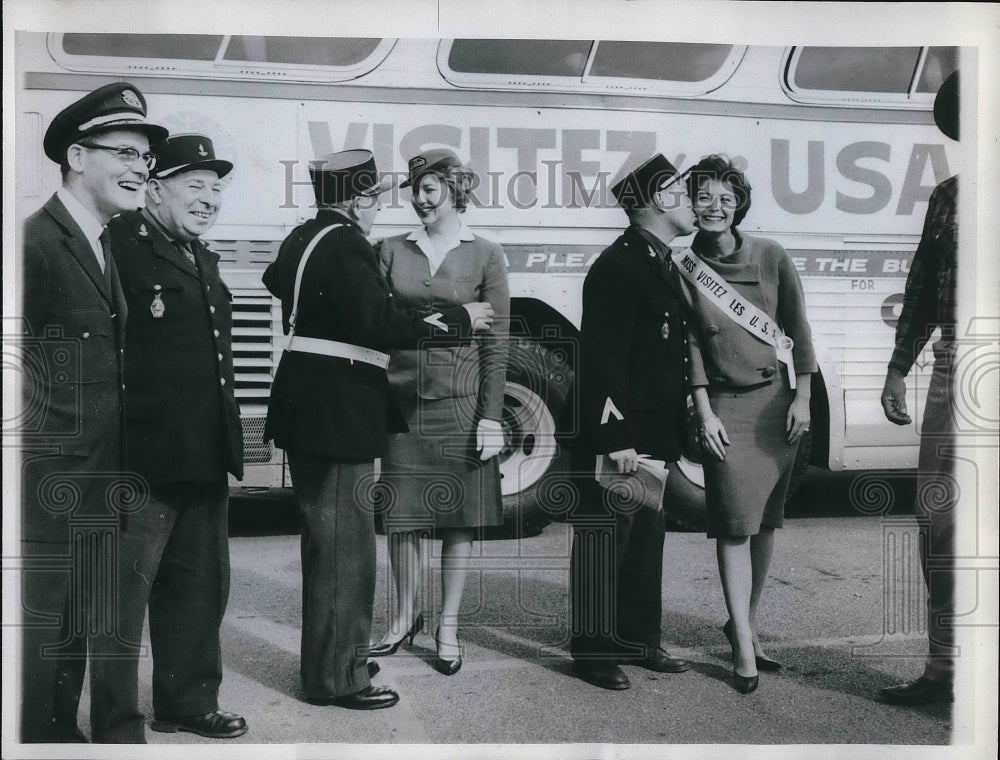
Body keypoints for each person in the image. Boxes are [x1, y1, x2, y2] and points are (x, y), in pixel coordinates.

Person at [262, 149, 494, 709]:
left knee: (325, 546)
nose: (377, 209)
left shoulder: (303, 236)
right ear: (356, 200)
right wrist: (459, 319)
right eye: (372, 199)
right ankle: (339, 677)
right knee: (346, 552)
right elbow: (380, 322)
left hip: (306, 404)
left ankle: (331, 658)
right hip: (337, 411)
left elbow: (275, 281)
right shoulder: (347, 243)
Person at [19, 82, 167, 743]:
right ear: (77, 157)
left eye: (146, 157)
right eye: (126, 152)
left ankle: (60, 739)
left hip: (99, 477)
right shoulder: (35, 241)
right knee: (39, 632)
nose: (142, 169)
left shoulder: (101, 242)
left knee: (74, 626)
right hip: (46, 481)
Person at [89, 134, 247, 741]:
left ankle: (188, 702)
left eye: (215, 189)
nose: (208, 199)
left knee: (200, 586)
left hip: (204, 450)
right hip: (144, 455)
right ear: (155, 190)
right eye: (194, 186)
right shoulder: (121, 244)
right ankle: (116, 722)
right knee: (124, 596)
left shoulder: (200, 254)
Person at [370, 149, 510, 675]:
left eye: (430, 189)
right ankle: (404, 617)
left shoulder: (486, 254)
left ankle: (447, 626)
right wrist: (455, 317)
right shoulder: (390, 250)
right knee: (403, 519)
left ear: (456, 189)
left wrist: (491, 416)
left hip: (462, 405)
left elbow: (496, 342)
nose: (420, 199)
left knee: (458, 520)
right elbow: (381, 319)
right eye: (415, 190)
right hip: (400, 405)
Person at [681, 154, 817, 694]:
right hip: (725, 407)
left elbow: (798, 328)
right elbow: (691, 344)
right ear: (691, 204)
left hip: (774, 406)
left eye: (726, 198)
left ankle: (746, 621)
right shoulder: (683, 264)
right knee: (734, 523)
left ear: (739, 205)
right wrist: (704, 411)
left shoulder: (770, 255)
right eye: (704, 197)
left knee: (765, 522)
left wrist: (803, 397)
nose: (715, 207)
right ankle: (740, 637)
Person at [568, 153, 694, 691]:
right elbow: (601, 361)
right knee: (606, 540)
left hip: (652, 433)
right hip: (623, 436)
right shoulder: (619, 266)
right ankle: (594, 652)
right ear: (657, 199)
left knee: (644, 539)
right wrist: (615, 435)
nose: (692, 201)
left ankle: (639, 641)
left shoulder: (659, 261)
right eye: (682, 191)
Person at [878, 69, 959, 707]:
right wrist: (897, 368)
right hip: (956, 367)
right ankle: (944, 668)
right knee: (939, 518)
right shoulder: (949, 197)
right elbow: (923, 289)